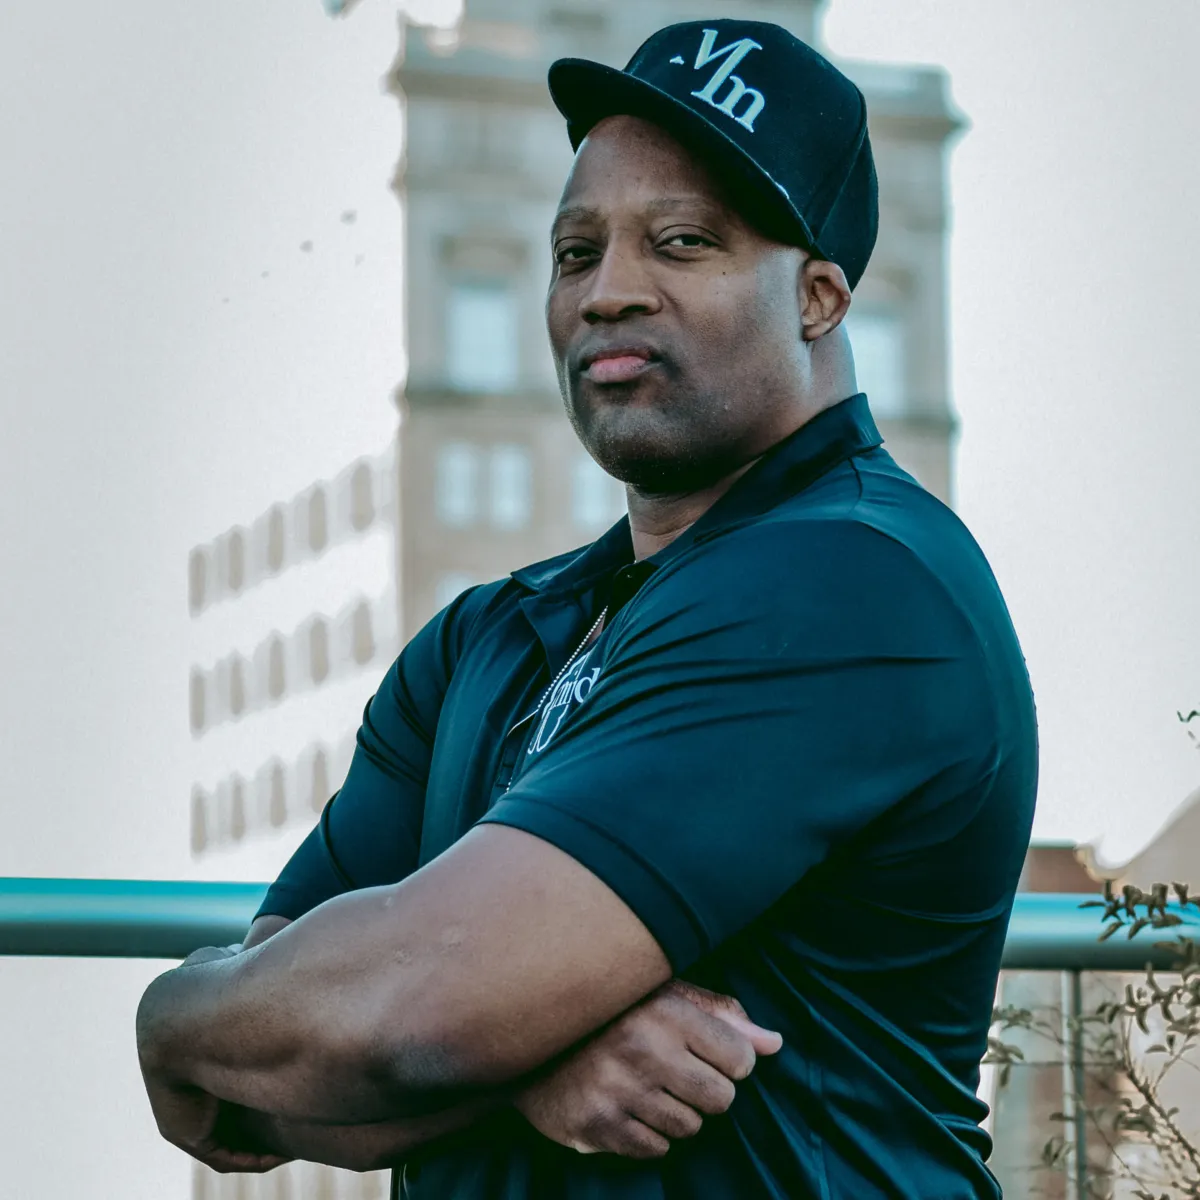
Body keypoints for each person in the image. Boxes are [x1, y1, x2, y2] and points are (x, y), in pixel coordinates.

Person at [136, 19, 1037, 1199]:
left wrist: (210, 1016)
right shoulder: (487, 637)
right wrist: (521, 1054)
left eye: (683, 242)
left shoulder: (853, 583)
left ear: (818, 297)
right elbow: (260, 1068)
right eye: (576, 251)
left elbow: (383, 1021)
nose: (609, 292)